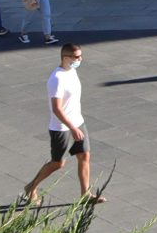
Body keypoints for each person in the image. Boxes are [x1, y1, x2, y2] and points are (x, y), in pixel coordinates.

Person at [20, 42, 100, 207]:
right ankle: (31, 187)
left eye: (80, 56)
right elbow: (57, 109)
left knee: (84, 156)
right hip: (62, 128)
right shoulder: (57, 79)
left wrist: (76, 125)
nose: (80, 59)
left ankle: (85, 194)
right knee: (58, 163)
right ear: (66, 57)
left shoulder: (72, 72)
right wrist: (72, 128)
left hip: (78, 122)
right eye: (77, 57)